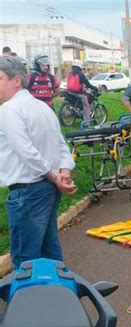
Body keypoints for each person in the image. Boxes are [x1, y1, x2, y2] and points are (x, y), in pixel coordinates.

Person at [0, 56, 77, 270]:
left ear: (16, 80)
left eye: (0, 79)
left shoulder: (9, 109)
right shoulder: (42, 107)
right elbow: (62, 145)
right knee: (49, 253)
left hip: (28, 191)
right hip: (48, 189)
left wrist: (56, 177)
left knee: (26, 261)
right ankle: (59, 296)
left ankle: (29, 302)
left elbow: (26, 152)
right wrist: (63, 173)